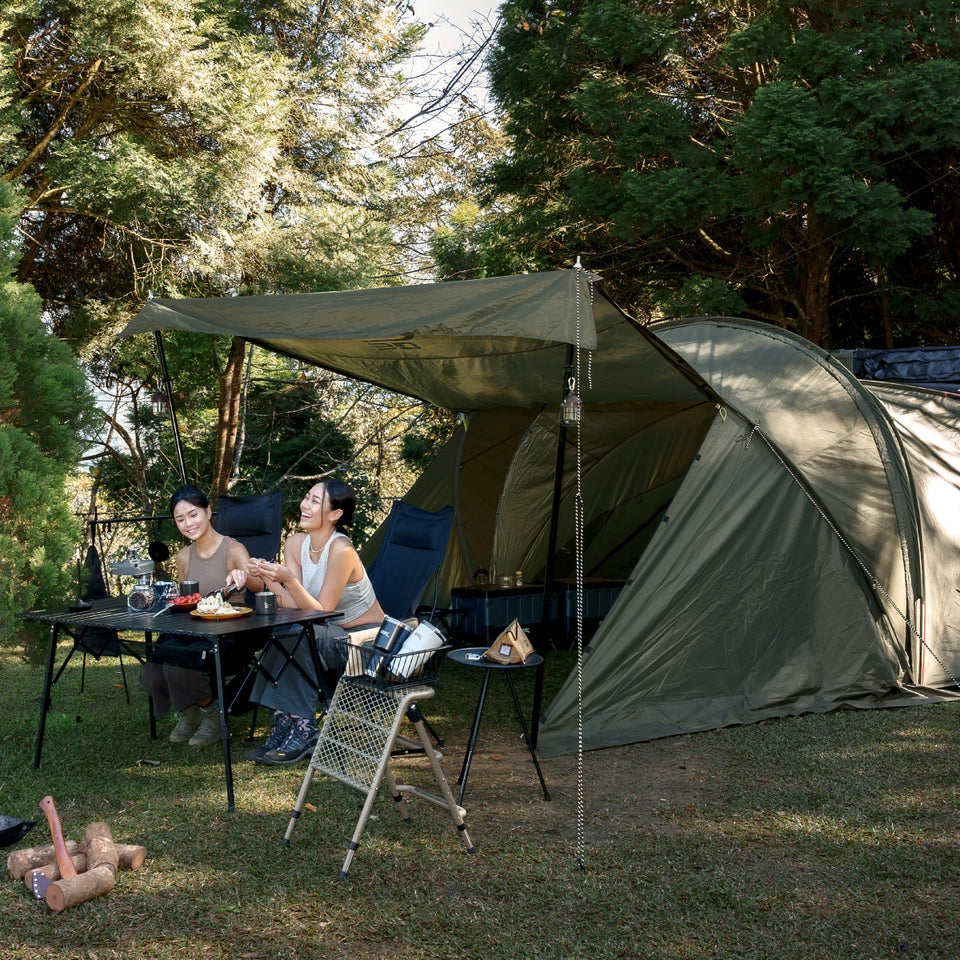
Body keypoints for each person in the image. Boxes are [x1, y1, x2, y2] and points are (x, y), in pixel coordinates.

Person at [245, 478, 385, 765]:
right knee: (289, 628)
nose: (304, 505)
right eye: (306, 497)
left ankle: (304, 727)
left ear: (334, 514)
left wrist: (288, 579)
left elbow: (320, 613)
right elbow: (293, 605)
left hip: (363, 643)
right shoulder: (296, 543)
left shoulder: (341, 550)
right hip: (323, 632)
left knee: (299, 633)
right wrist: (269, 578)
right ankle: (286, 720)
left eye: (314, 501)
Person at [139, 485, 263, 747]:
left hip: (229, 632)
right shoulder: (184, 556)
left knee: (184, 665)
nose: (188, 523)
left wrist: (243, 576)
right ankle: (187, 711)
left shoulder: (233, 549)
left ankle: (212, 715)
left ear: (208, 512)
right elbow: (189, 601)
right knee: (155, 669)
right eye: (180, 519)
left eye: (193, 515)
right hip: (194, 626)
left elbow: (259, 587)